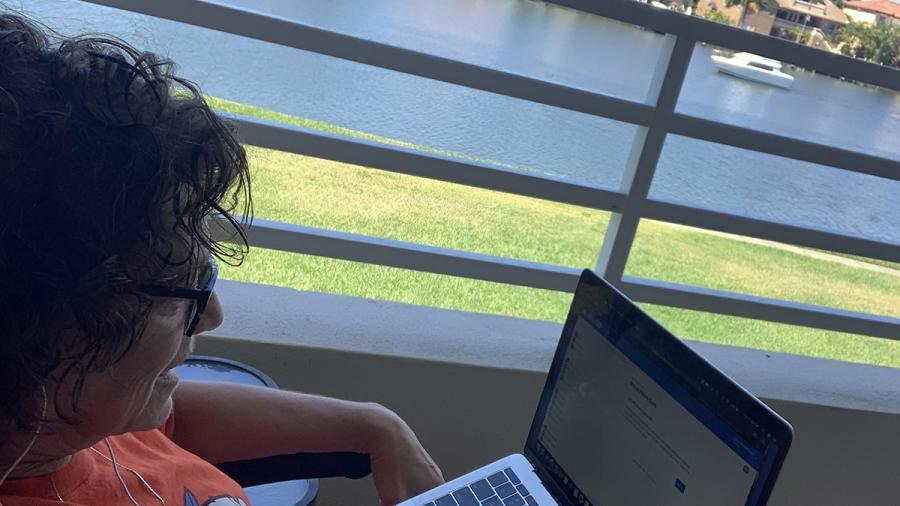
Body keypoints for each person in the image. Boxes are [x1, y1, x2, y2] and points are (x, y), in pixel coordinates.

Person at [0, 12, 443, 506]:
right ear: (42, 336)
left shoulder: (79, 415)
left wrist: (374, 426)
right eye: (179, 290)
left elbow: (173, 419)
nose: (211, 314)